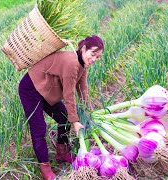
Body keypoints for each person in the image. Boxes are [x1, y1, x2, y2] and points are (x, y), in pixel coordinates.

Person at [18, 35, 104, 180]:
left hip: (45, 89)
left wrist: (88, 110)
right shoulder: (72, 63)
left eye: (98, 57)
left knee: (63, 117)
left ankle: (61, 152)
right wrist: (75, 120)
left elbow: (83, 89)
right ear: (83, 49)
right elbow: (68, 94)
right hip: (31, 88)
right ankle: (45, 168)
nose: (94, 59)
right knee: (39, 128)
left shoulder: (82, 64)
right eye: (93, 54)